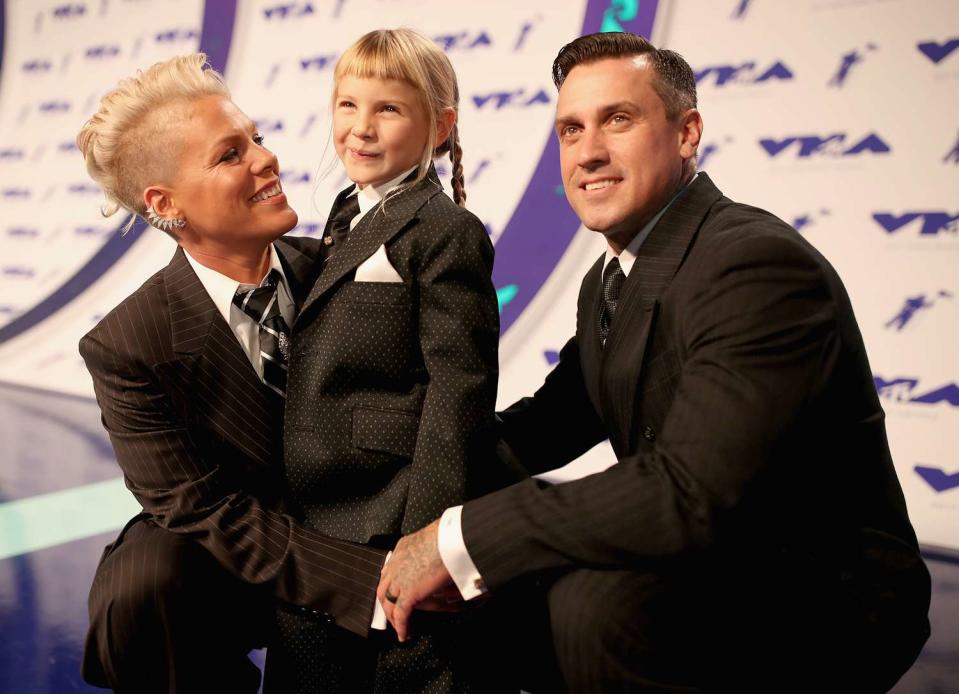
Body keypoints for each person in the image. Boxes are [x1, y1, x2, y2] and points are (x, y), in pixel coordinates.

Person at [379, 32, 932, 692]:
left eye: (617, 119)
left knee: (589, 608)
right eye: (569, 129)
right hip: (712, 559)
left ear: (686, 132)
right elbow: (543, 429)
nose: (587, 152)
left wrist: (457, 537)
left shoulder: (753, 265)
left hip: (823, 589)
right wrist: (405, 487)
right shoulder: (612, 276)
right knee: (487, 595)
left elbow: (689, 491)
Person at [76, 54, 390, 693]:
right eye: (229, 155)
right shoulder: (125, 345)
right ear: (166, 204)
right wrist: (369, 584)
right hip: (237, 552)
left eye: (258, 139)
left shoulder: (349, 270)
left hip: (363, 519)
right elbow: (203, 509)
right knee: (145, 583)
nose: (265, 159)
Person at [271, 28, 521, 692]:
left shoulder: (445, 231)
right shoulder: (342, 213)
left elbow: (458, 391)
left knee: (405, 670)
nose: (360, 127)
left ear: (440, 125)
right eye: (347, 105)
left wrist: (429, 537)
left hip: (386, 512)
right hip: (317, 511)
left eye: (387, 109)